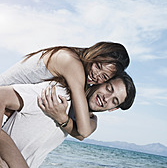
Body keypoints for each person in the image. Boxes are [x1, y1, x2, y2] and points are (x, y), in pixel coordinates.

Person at [0, 72, 136, 168]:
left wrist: (62, 118)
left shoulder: (83, 120)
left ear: (113, 109)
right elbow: (2, 96)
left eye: (114, 100)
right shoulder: (58, 94)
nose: (106, 98)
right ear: (101, 81)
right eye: (109, 88)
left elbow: (84, 131)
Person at [0, 42, 130, 141]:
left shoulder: (79, 73)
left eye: (104, 77)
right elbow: (83, 131)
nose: (96, 75)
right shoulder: (71, 63)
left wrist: (92, 122)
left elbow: (80, 134)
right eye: (98, 66)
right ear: (95, 53)